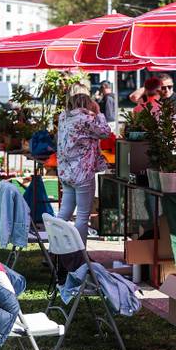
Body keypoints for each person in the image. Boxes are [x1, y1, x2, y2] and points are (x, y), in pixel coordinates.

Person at [57, 93, 111, 243]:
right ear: (88, 104)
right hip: (82, 173)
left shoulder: (63, 117)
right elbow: (105, 132)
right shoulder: (86, 119)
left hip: (66, 171)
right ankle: (80, 255)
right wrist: (99, 113)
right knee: (82, 216)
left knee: (64, 212)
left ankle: (55, 250)